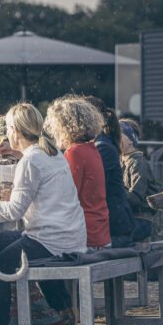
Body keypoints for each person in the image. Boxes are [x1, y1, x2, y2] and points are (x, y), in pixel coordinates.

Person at [0, 103, 86, 325]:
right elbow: (24, 171)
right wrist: (7, 160)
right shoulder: (48, 152)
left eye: (8, 129)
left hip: (51, 239)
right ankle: (21, 317)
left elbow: (14, 211)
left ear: (15, 131)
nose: (7, 134)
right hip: (66, 234)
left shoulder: (32, 160)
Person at [44, 95, 111, 251]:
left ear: (66, 126)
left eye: (55, 126)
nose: (53, 131)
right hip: (99, 233)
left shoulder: (75, 152)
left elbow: (66, 196)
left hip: (85, 236)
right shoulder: (90, 149)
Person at [82, 96, 137, 247]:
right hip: (111, 223)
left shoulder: (102, 147)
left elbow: (95, 189)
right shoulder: (99, 144)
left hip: (115, 225)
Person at [119, 118, 162, 242]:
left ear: (131, 140)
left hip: (141, 220)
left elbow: (136, 198)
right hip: (128, 217)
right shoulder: (120, 160)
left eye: (119, 135)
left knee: (112, 241)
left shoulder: (138, 162)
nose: (115, 138)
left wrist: (114, 195)